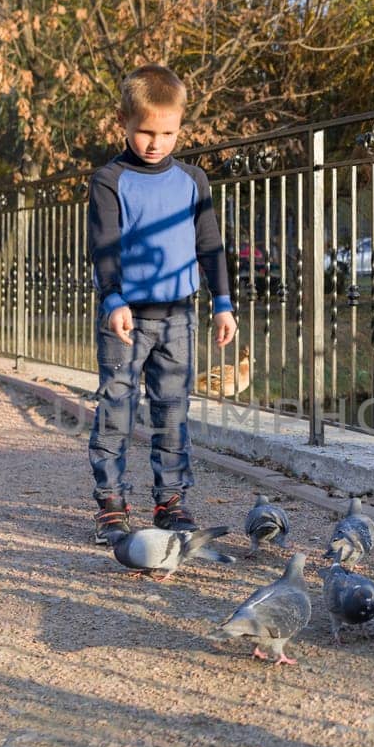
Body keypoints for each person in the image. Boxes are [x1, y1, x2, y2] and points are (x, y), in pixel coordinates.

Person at [87, 64, 237, 544]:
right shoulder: (109, 179)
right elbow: (104, 244)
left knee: (171, 411)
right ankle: (111, 503)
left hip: (178, 316)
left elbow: (209, 243)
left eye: (167, 133)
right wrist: (113, 298)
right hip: (125, 316)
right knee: (116, 408)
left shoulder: (193, 179)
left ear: (180, 126)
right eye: (145, 132)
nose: (155, 143)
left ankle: (171, 501)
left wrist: (223, 303)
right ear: (123, 122)